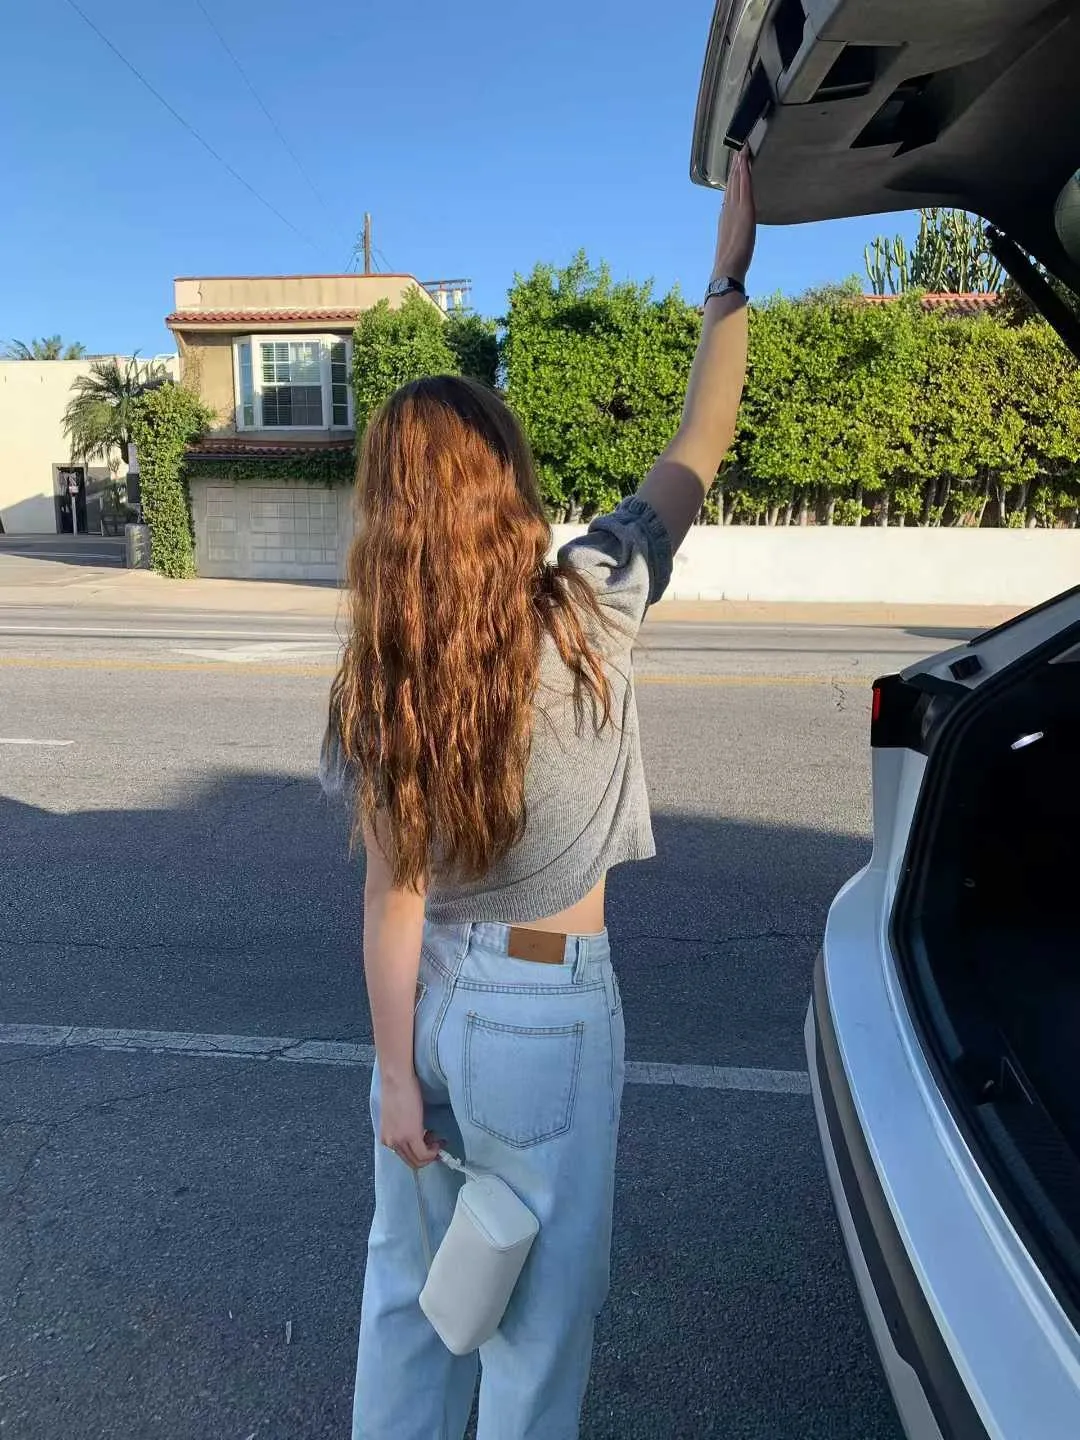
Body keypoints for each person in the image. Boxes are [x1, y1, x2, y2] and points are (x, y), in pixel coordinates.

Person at [324, 147, 756, 1440]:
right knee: (533, 1335)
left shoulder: (383, 671)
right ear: (506, 484)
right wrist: (726, 280)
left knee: (410, 1297)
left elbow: (393, 901)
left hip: (431, 1008)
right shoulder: (590, 600)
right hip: (543, 1014)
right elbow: (700, 444)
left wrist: (396, 1078)